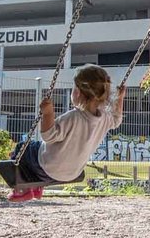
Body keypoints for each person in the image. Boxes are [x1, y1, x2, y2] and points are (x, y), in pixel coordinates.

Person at [7, 64, 125, 202]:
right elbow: (117, 119)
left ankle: (23, 190)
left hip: (45, 168)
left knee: (22, 147)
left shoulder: (73, 117)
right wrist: (120, 98)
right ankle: (37, 187)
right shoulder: (105, 118)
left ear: (78, 93)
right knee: (37, 146)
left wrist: (48, 113)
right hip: (73, 173)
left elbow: (49, 136)